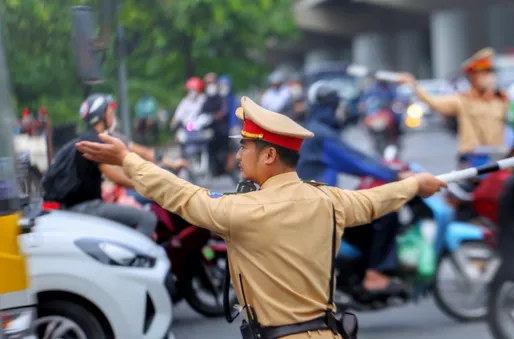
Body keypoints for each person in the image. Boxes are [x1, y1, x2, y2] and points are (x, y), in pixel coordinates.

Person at [76, 95, 447, 338]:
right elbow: (373, 202)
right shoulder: (328, 200)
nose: (238, 155)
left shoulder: (246, 211)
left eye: (245, 146)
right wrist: (414, 185)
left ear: (269, 156)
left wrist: (128, 159)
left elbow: (181, 194)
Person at [297, 82, 410, 299]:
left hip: (310, 202)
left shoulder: (310, 130)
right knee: (386, 212)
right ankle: (374, 275)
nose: (342, 111)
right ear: (331, 106)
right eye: (338, 106)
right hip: (322, 206)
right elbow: (356, 161)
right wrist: (393, 175)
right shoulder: (321, 135)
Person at [42, 93, 157, 237]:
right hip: (86, 208)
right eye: (110, 111)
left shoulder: (88, 138)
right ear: (102, 115)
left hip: (78, 206)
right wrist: (149, 185)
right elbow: (115, 175)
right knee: (147, 218)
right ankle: (139, 258)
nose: (113, 115)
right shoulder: (95, 141)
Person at [399, 47, 508, 167]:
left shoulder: (501, 99)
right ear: (473, 76)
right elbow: (433, 102)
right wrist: (414, 85)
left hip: (498, 157)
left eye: (490, 72)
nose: (489, 77)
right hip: (473, 159)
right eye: (484, 73)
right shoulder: (462, 100)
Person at [201, 72, 229, 176]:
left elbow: (224, 111)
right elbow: (201, 112)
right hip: (208, 130)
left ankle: (224, 168)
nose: (210, 85)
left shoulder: (221, 98)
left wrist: (217, 115)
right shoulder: (205, 99)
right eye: (207, 83)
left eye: (211, 83)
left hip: (221, 130)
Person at [171, 77, 206, 144]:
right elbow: (179, 111)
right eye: (191, 90)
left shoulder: (203, 99)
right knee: (181, 135)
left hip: (200, 126)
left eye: (194, 90)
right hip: (188, 126)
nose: (192, 92)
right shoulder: (186, 101)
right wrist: (174, 120)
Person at [219, 75, 240, 173]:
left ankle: (234, 165)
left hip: (232, 128)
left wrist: (233, 127)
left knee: (237, 146)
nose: (223, 87)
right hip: (221, 129)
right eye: (221, 85)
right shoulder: (218, 99)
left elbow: (234, 116)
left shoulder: (232, 99)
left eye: (225, 85)